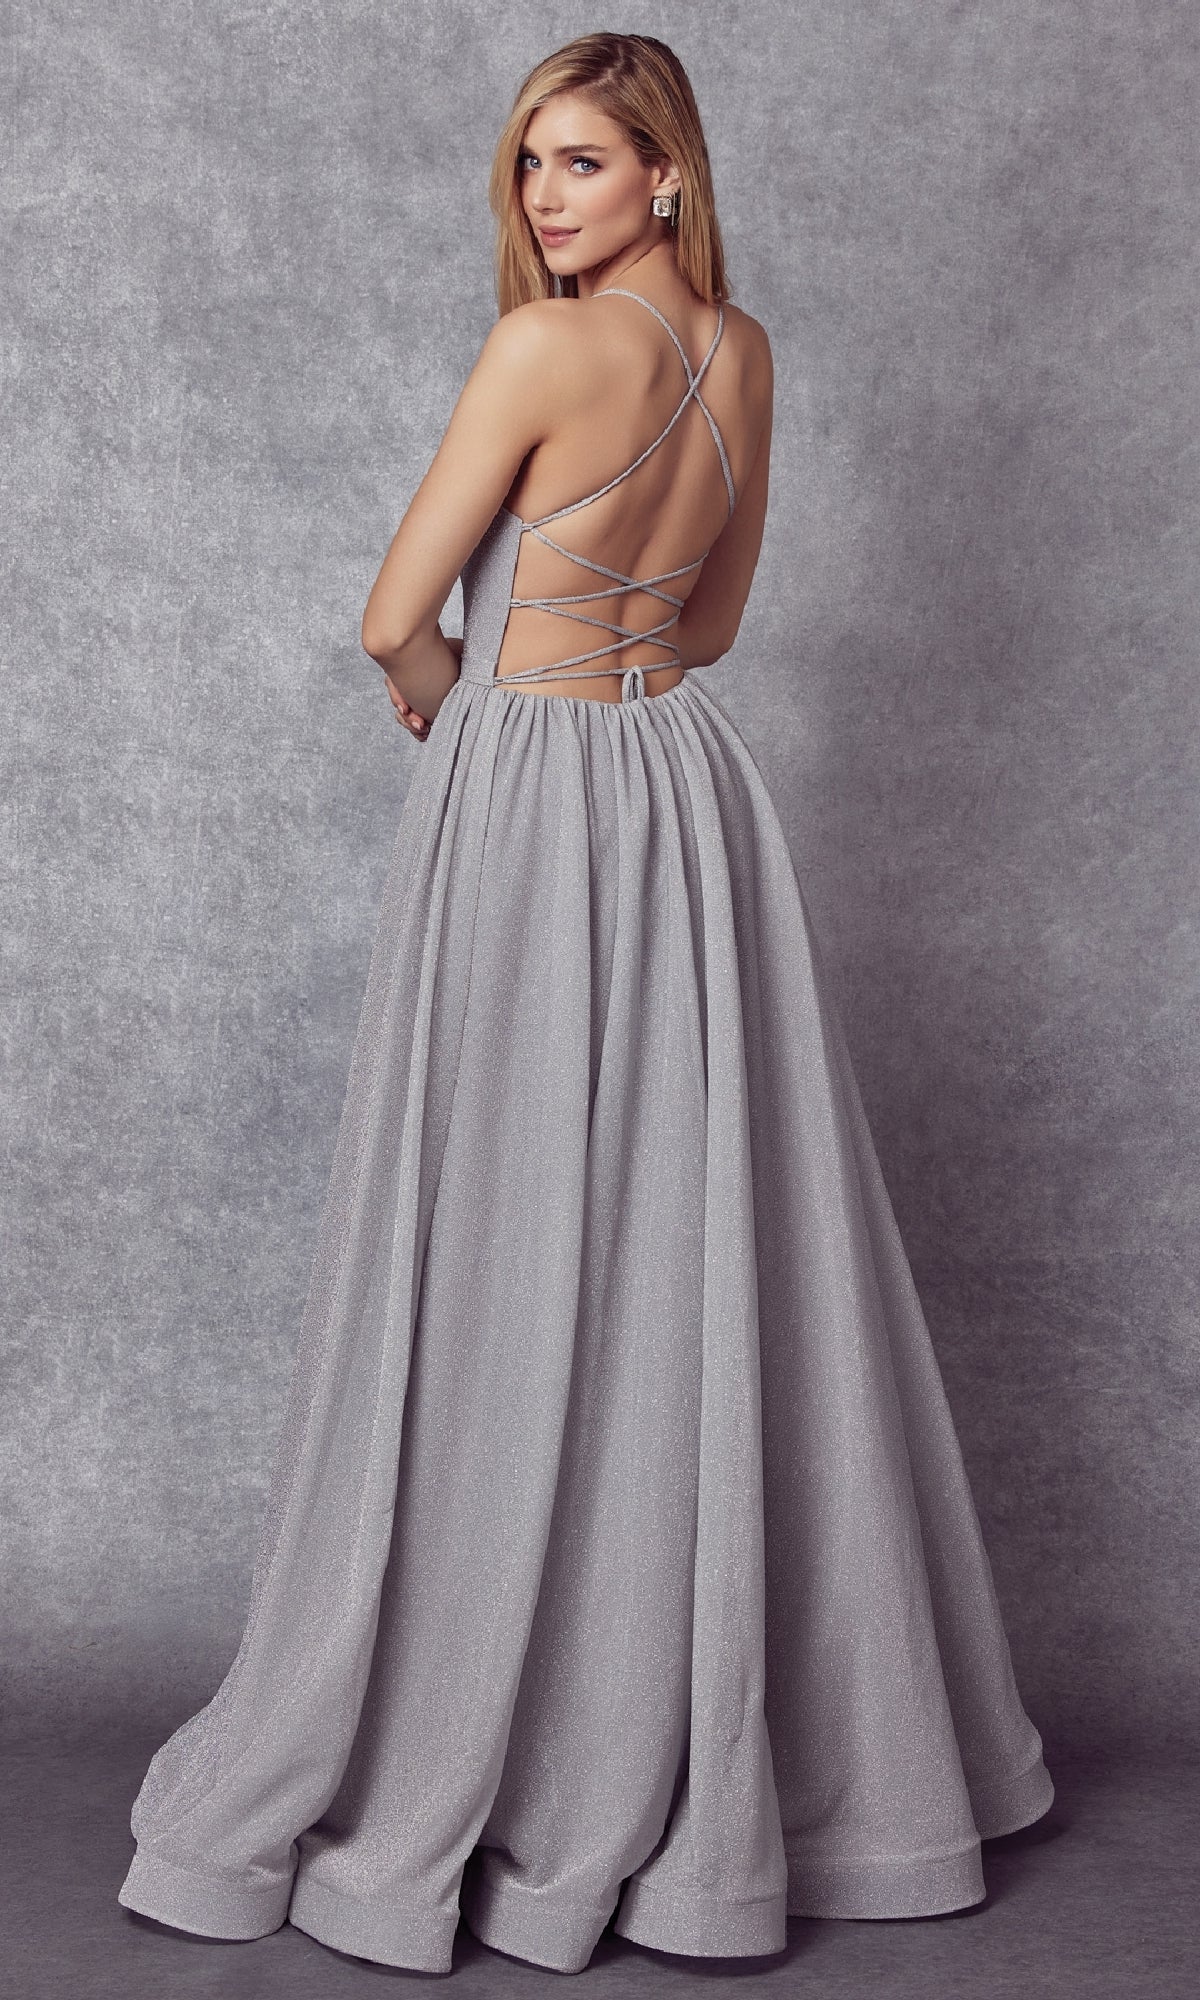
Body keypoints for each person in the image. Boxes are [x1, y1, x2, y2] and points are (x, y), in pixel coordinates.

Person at [117, 31, 1053, 1978]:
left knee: (521, 1229)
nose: (546, 200)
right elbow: (713, 620)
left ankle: (509, 1711)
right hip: (681, 788)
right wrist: (600, 652)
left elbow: (397, 605)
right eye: (531, 166)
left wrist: (437, 684)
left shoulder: (548, 355)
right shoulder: (744, 350)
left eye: (584, 165)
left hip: (535, 782)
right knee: (676, 1230)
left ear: (669, 178)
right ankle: (677, 1700)